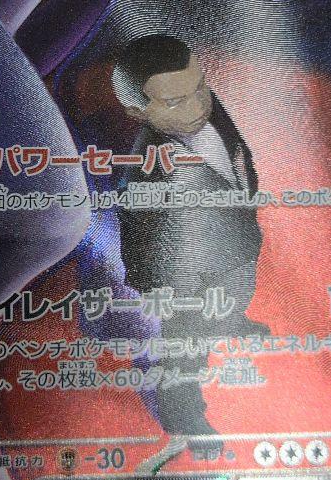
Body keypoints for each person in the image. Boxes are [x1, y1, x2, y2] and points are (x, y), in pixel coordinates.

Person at [111, 34, 269, 436]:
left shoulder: (211, 112)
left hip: (234, 242)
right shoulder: (145, 167)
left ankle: (229, 320)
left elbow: (236, 152)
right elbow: (138, 229)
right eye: (175, 102)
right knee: (185, 349)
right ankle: (184, 417)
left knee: (238, 290)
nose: (198, 107)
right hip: (184, 276)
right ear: (136, 110)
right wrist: (157, 285)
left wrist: (246, 195)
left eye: (200, 88)